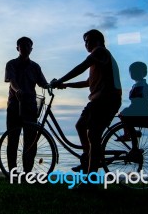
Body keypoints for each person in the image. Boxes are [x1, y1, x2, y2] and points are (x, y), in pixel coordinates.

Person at [51, 29, 122, 182]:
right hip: (98, 100)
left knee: (93, 136)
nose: (86, 44)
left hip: (106, 100)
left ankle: (91, 179)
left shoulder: (100, 52)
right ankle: (87, 158)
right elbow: (88, 82)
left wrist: (59, 80)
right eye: (85, 41)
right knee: (80, 126)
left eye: (88, 40)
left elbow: (80, 67)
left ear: (98, 41)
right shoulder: (98, 59)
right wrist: (66, 84)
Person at [4, 36, 48, 173]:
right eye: (22, 46)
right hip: (14, 107)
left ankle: (28, 171)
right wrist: (17, 90)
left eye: (28, 46)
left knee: (30, 142)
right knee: (13, 140)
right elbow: (11, 81)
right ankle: (13, 171)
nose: (25, 48)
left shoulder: (35, 67)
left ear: (31, 49)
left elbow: (43, 83)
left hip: (30, 107)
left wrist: (52, 84)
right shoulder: (11, 64)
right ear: (18, 48)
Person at [117, 61, 148, 141]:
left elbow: (138, 100)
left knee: (124, 115)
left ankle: (127, 135)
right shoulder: (139, 84)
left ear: (144, 73)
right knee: (124, 115)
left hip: (141, 109)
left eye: (136, 71)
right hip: (143, 109)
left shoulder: (140, 85)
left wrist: (129, 109)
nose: (133, 73)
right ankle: (132, 133)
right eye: (131, 72)